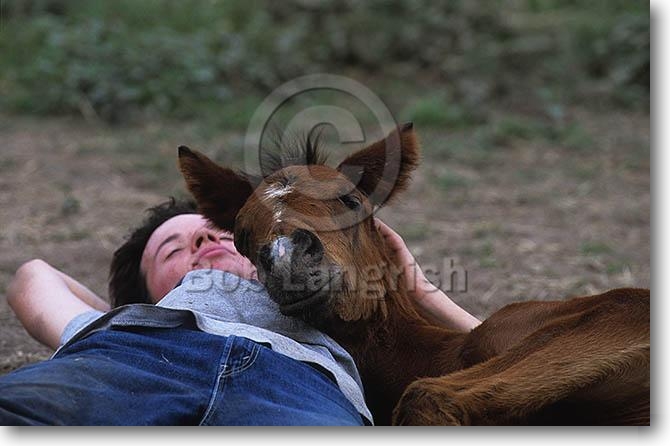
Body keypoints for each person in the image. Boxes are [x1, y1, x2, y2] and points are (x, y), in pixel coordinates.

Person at [2, 198, 480, 425]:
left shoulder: (327, 317)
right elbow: (34, 275)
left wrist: (417, 290)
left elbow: (499, 361)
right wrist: (127, 320)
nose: (202, 238)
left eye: (221, 234)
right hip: (129, 364)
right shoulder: (120, 328)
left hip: (298, 387)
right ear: (150, 297)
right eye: (172, 251)